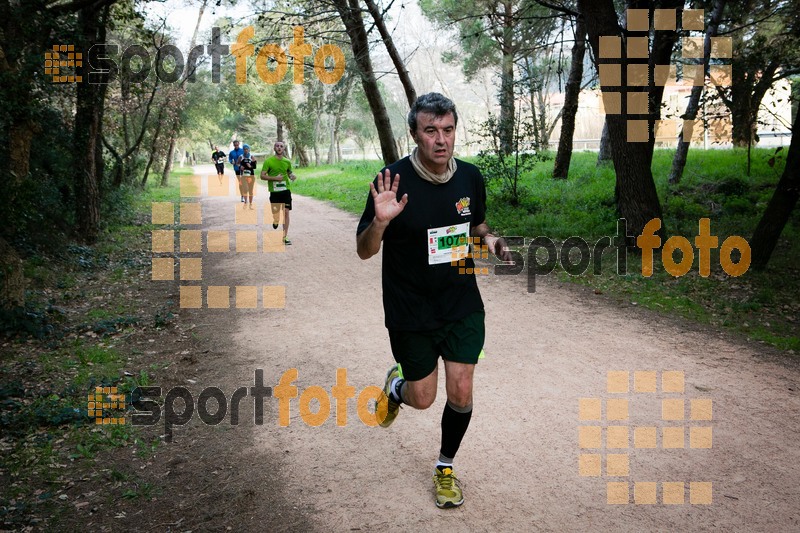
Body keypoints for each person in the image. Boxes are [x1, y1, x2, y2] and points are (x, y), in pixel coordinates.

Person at [356, 92, 511, 509]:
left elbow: (476, 224)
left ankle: (445, 467)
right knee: (423, 399)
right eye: (431, 131)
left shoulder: (471, 177)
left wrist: (492, 240)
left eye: (448, 130)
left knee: (461, 392)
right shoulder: (391, 182)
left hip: (461, 303)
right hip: (410, 311)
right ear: (415, 134)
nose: (441, 140)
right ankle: (397, 386)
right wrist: (381, 223)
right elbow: (364, 250)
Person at [260, 141, 296, 245]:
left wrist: (292, 176)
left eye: (281, 146)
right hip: (274, 191)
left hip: (286, 190)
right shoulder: (269, 161)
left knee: (286, 212)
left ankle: (285, 237)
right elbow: (262, 176)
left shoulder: (287, 161)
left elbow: (289, 173)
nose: (279, 148)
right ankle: (275, 219)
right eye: (277, 146)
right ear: (274, 148)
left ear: (284, 148)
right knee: (276, 214)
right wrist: (275, 178)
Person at [237, 144, 258, 209]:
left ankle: (251, 204)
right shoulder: (241, 157)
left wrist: (250, 166)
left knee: (251, 191)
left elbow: (255, 167)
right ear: (243, 150)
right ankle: (245, 202)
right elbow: (237, 163)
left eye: (247, 149)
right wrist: (240, 167)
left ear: (249, 149)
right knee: (245, 189)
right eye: (244, 149)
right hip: (243, 176)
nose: (246, 150)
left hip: (251, 176)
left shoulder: (252, 157)